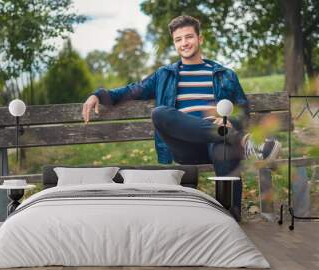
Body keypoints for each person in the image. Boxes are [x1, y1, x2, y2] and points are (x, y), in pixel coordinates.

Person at [81, 15, 281, 221]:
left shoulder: (225, 74)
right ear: (174, 43)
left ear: (200, 39)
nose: (184, 43)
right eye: (178, 39)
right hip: (186, 146)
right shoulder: (164, 74)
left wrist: (232, 122)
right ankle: (239, 141)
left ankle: (229, 216)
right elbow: (131, 91)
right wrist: (98, 94)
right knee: (160, 113)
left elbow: (242, 110)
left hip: (218, 145)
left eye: (189, 37)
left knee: (222, 145)